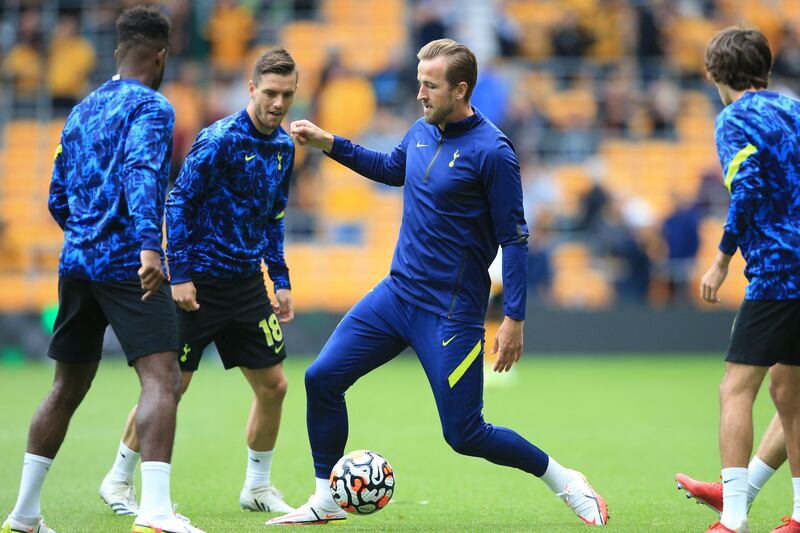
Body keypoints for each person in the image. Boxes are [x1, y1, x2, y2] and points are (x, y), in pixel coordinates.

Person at [267, 38, 609, 527]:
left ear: (461, 90)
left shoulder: (494, 152)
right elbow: (391, 169)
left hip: (451, 314)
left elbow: (515, 240)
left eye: (430, 85)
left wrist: (513, 318)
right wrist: (330, 144)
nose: (421, 94)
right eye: (419, 83)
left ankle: (566, 480)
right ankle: (325, 499)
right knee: (321, 379)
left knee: (465, 434)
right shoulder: (422, 130)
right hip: (396, 295)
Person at [1, 6, 204, 533]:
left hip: (77, 263)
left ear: (117, 53)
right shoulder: (155, 108)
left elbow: (56, 196)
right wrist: (147, 247)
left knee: (64, 388)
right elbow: (140, 171)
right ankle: (156, 512)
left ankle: (23, 515)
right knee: (161, 378)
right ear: (160, 55)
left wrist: (84, 235)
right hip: (127, 264)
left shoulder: (82, 109)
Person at [98, 46, 298, 518]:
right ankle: (118, 479)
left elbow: (274, 215)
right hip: (199, 285)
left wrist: (281, 277)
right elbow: (178, 202)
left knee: (275, 386)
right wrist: (181, 275)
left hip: (247, 284)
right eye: (270, 93)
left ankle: (257, 485)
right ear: (251, 88)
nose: (278, 104)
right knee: (169, 387)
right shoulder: (220, 139)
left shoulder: (285, 147)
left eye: (287, 95)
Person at [675, 26, 800, 533]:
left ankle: (734, 518)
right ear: (765, 68)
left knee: (735, 389)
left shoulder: (733, 119)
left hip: (777, 271)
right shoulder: (794, 108)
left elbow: (746, 188)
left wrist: (722, 258)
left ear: (712, 74)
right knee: (789, 392)